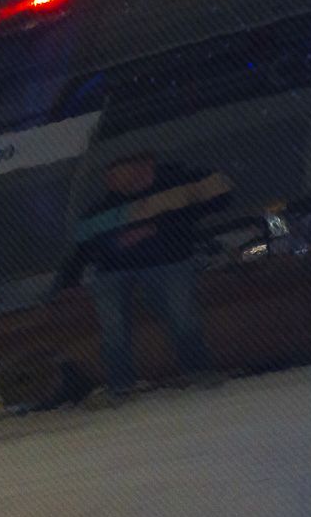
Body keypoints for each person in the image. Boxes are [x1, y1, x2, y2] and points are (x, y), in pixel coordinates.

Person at [74, 153, 233, 400]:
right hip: (115, 269)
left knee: (182, 316)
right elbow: (84, 244)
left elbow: (215, 199)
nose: (110, 180)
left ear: (139, 167)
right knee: (114, 327)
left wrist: (156, 229)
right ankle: (121, 384)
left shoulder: (175, 186)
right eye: (109, 176)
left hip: (167, 262)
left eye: (116, 173)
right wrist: (114, 246)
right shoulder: (105, 208)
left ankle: (198, 370)